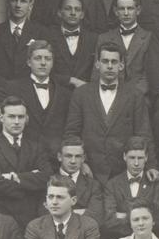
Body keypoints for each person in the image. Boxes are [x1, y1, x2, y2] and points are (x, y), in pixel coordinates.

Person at [64, 42, 152, 181]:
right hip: (89, 171)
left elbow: (143, 133)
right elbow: (72, 133)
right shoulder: (81, 94)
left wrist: (151, 165)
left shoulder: (134, 95)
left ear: (121, 65)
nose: (110, 66)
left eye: (114, 61)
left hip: (123, 171)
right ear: (97, 64)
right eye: (105, 61)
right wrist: (82, 163)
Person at [0, 96, 53, 226]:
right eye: (12, 117)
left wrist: (16, 177)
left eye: (21, 117)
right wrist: (31, 178)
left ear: (26, 119)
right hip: (2, 214)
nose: (17, 121)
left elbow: (47, 177)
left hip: (33, 215)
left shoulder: (36, 146)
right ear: (2, 118)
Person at [0, 0, 48, 104]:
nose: (18, 5)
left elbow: (44, 66)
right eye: (14, 0)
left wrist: (22, 87)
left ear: (30, 6)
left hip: (30, 92)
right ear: (8, 3)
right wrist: (8, 86)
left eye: (23, 1)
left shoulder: (41, 33)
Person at [5, 39, 72, 156]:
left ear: (52, 62)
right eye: (38, 58)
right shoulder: (13, 88)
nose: (43, 63)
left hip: (54, 158)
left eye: (48, 59)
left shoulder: (64, 94)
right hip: (23, 156)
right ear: (29, 62)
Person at [91, 0, 154, 97]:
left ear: (138, 10)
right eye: (121, 9)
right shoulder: (104, 38)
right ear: (116, 11)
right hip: (108, 94)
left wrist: (131, 95)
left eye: (130, 8)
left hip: (139, 95)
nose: (126, 13)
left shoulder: (149, 37)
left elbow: (149, 74)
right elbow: (97, 72)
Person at [101, 137, 159, 239]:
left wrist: (123, 215)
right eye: (132, 158)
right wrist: (144, 218)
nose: (136, 163)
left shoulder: (155, 183)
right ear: (124, 156)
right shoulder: (112, 184)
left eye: (140, 158)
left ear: (146, 157)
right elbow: (109, 221)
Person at [47, 0, 97, 91]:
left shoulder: (93, 39)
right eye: (68, 9)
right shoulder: (48, 36)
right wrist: (70, 80)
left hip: (85, 94)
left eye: (77, 9)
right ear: (59, 12)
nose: (73, 13)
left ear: (82, 15)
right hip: (55, 92)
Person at [53, 136, 103, 219]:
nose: (73, 161)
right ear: (59, 157)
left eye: (77, 156)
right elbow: (45, 215)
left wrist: (61, 212)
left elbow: (96, 216)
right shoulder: (47, 182)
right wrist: (81, 212)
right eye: (68, 156)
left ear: (83, 158)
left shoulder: (93, 185)